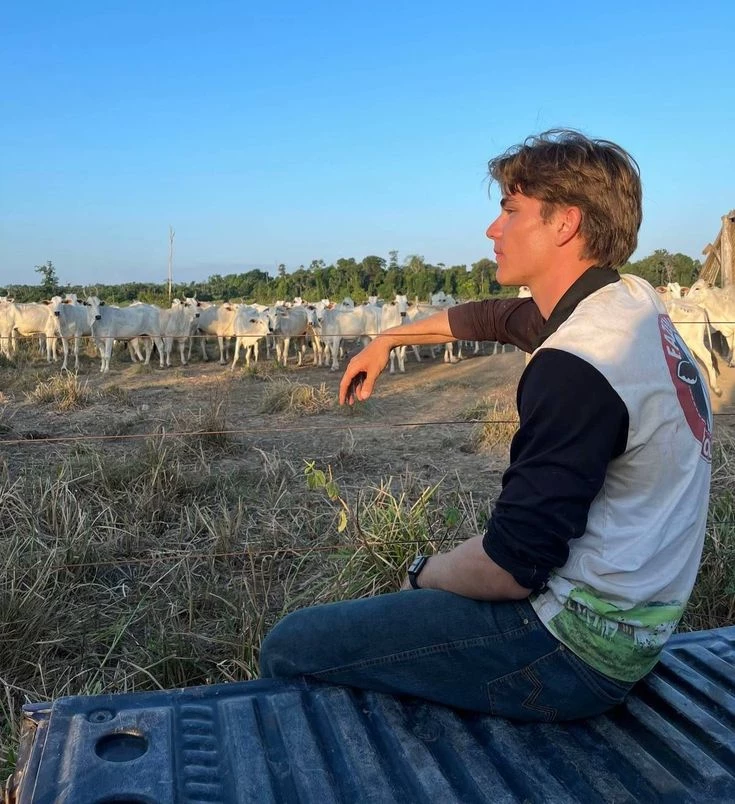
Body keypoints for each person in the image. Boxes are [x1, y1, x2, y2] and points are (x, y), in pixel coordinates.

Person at [259, 130, 712, 721]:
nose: (492, 230)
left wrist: (421, 575)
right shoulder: (628, 302)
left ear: (565, 223)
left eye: (510, 210)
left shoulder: (577, 366)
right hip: (633, 629)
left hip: (569, 652)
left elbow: (511, 566)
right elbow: (493, 317)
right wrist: (388, 339)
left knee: (291, 645)